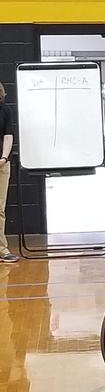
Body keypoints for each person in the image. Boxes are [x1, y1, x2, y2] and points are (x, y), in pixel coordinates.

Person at [0, 83, 16, 263]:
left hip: (1, 164)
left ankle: (2, 249)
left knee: (0, 209)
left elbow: (8, 135)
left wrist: (4, 158)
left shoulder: (5, 110)